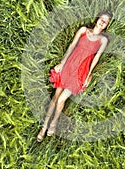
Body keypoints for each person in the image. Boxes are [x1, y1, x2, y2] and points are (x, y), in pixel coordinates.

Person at [37, 11, 113, 142]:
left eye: (105, 21)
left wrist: (89, 76)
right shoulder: (84, 30)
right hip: (69, 65)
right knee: (55, 97)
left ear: (106, 25)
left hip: (80, 72)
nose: (102, 22)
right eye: (102, 18)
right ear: (97, 18)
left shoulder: (103, 40)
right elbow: (72, 45)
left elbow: (96, 59)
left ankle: (53, 123)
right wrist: (62, 63)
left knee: (61, 100)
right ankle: (43, 128)